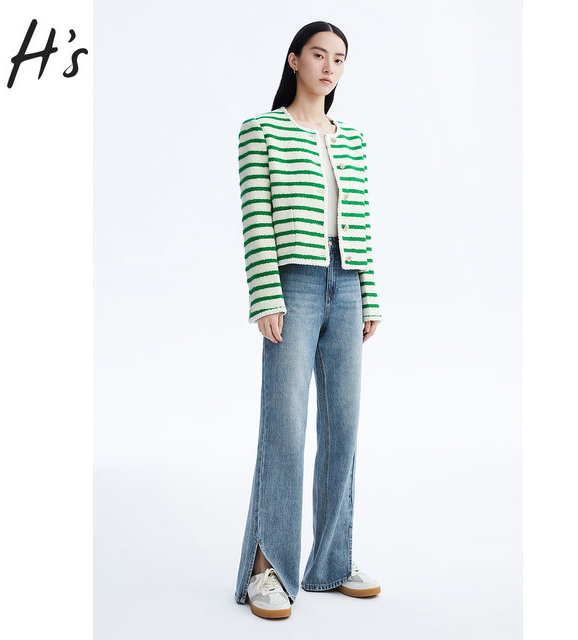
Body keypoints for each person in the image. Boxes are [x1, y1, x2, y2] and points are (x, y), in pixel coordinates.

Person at [234, 20, 384, 619]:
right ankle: (266, 568)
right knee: (285, 428)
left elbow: (361, 221)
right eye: (319, 55)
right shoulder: (261, 131)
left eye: (339, 59)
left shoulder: (353, 140)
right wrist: (265, 296)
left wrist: (369, 296)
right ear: (294, 60)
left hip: (346, 283)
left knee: (343, 427)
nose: (329, 67)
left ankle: (330, 563)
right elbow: (256, 218)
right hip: (292, 284)